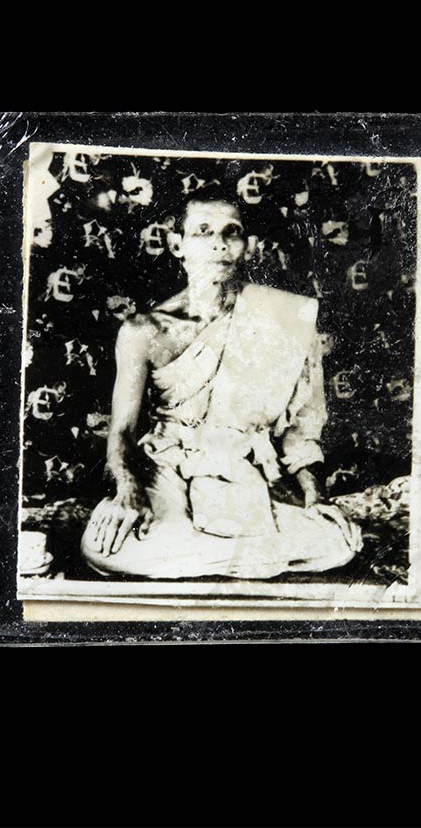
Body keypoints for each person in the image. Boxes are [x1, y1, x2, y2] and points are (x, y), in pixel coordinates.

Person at [81, 195, 362, 579]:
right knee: (104, 548)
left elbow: (301, 431)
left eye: (232, 232)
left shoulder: (284, 317)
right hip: (167, 467)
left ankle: (201, 559)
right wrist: (128, 491)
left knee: (338, 541)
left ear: (247, 246)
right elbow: (123, 431)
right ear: (177, 244)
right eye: (203, 232)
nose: (220, 244)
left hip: (242, 469)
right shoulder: (143, 331)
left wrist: (315, 498)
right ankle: (249, 560)